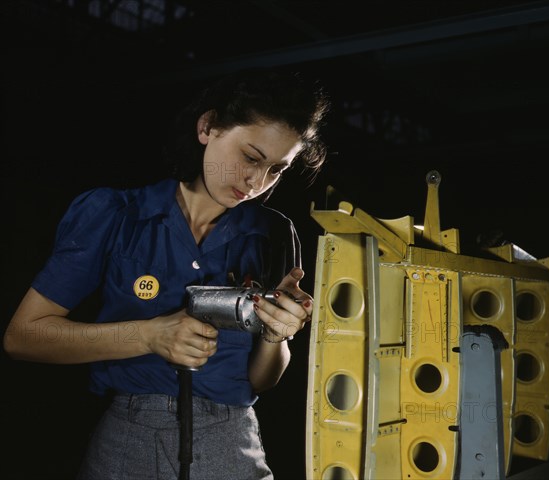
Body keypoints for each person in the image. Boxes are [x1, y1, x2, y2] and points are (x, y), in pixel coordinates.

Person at [3, 67, 330, 480]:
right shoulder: (116, 215)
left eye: (276, 170)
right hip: (127, 435)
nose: (256, 181)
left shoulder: (273, 233)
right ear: (207, 127)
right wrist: (148, 335)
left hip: (231, 438)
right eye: (250, 157)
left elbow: (263, 380)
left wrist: (275, 335)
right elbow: (23, 337)